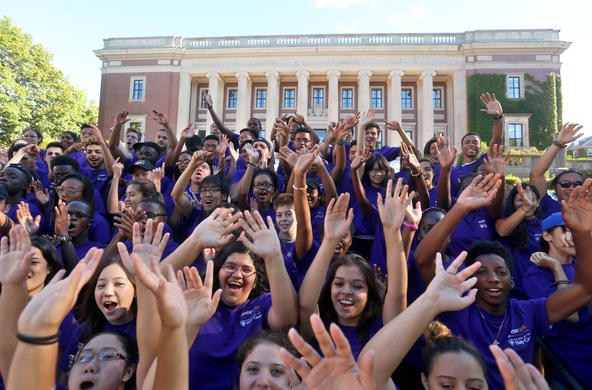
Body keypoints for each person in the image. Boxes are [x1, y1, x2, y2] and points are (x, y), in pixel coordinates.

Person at [161, 208, 298, 389]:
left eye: (247, 270)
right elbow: (155, 286)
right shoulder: (196, 301)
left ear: (256, 281)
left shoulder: (261, 304)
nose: (237, 274)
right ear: (218, 271)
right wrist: (196, 240)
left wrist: (273, 256)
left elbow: (286, 319)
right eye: (230, 267)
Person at [523, 212, 592, 388]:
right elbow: (572, 315)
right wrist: (556, 267)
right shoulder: (535, 275)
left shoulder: (580, 264)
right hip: (572, 356)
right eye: (566, 230)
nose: (573, 237)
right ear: (547, 236)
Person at [529, 122, 585, 218]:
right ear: (555, 187)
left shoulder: (588, 210)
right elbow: (536, 174)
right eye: (565, 184)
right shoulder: (547, 205)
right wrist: (558, 143)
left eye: (577, 184)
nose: (572, 188)